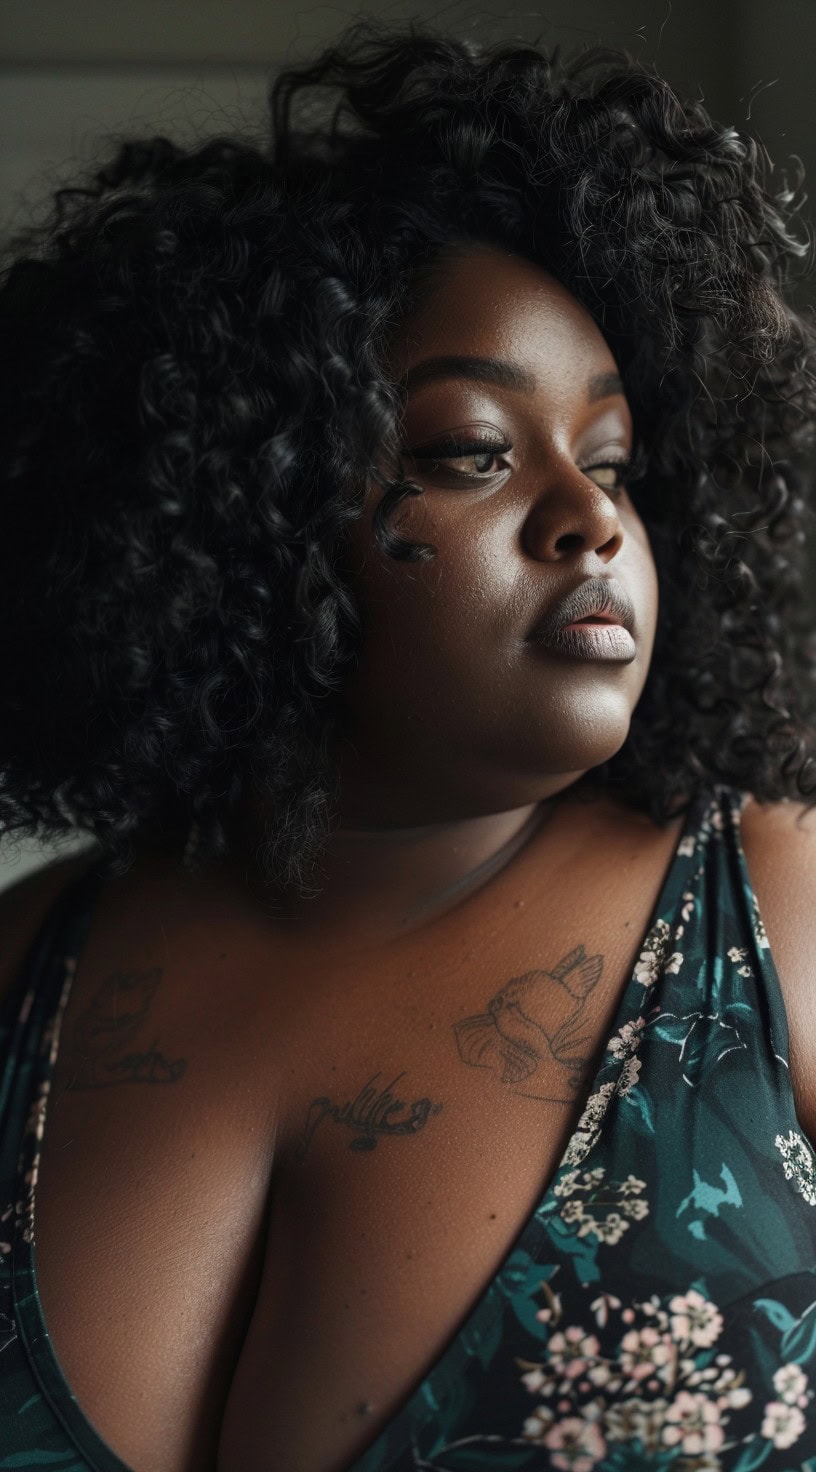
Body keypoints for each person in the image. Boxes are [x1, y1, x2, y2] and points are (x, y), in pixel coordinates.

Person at [1, 15, 816, 1472]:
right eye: (471, 453)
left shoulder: (778, 924)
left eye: (615, 459)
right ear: (237, 517)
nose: (592, 516)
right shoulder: (22, 973)